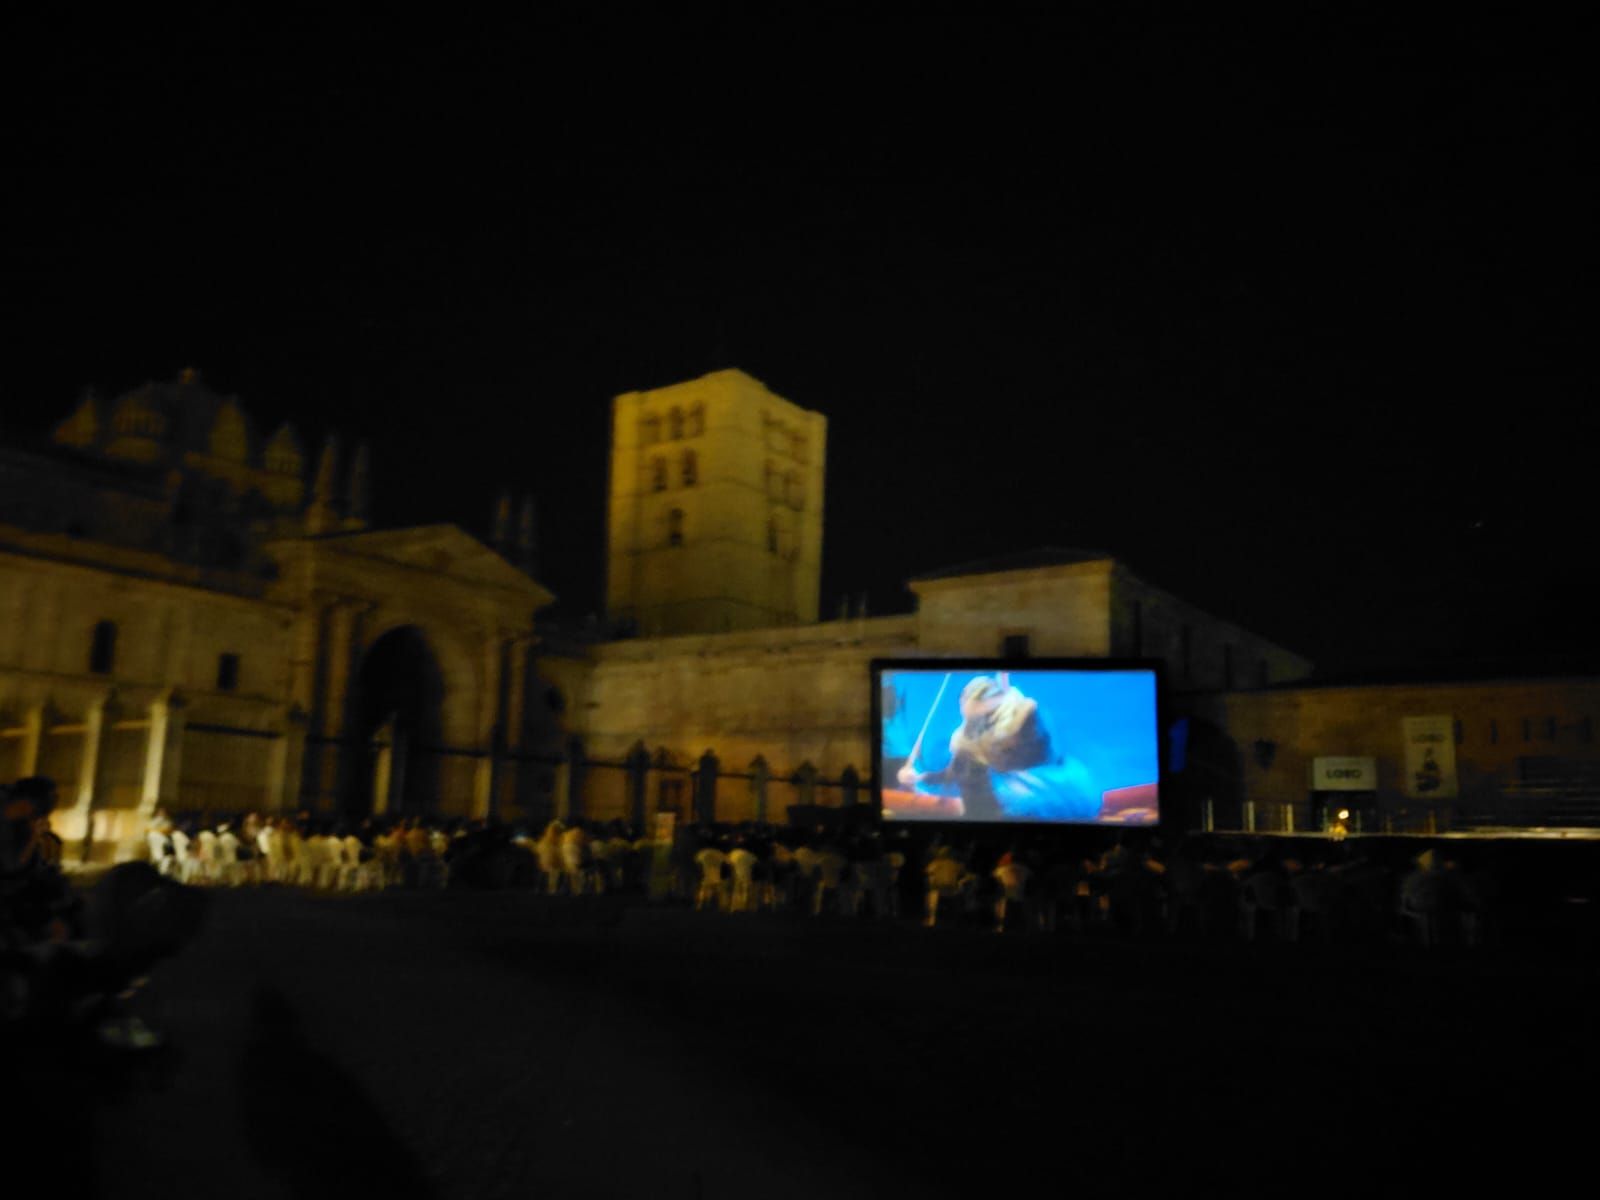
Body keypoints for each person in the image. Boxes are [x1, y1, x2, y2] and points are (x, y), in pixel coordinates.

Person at [896, 674, 1100, 821]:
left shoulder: (1022, 715)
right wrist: (918, 777)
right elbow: (953, 774)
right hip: (1007, 800)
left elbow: (1023, 736)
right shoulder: (967, 736)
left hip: (1052, 792)